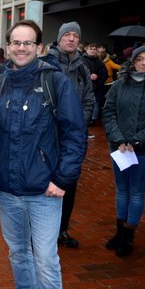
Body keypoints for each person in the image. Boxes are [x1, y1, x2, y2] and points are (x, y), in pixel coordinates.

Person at [0, 20, 86, 289]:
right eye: (16, 42)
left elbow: (75, 134)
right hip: (7, 189)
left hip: (45, 191)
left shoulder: (56, 82)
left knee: (45, 260)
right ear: (8, 46)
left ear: (38, 47)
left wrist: (63, 178)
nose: (21, 48)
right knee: (18, 252)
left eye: (28, 43)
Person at [45, 21, 94, 248]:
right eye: (68, 35)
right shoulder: (47, 64)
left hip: (72, 138)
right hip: (50, 135)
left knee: (69, 184)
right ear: (60, 38)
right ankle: (45, 233)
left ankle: (62, 229)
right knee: (46, 184)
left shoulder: (83, 66)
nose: (71, 39)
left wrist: (78, 124)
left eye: (75, 35)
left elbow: (88, 101)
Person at [102, 46, 145, 257]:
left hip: (142, 149)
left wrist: (137, 141)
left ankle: (128, 236)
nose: (144, 63)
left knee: (137, 191)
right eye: (140, 59)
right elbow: (108, 112)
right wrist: (119, 139)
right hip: (119, 148)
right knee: (122, 190)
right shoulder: (119, 85)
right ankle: (119, 232)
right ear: (133, 61)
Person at [82, 43, 108, 124]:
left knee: (96, 103)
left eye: (94, 49)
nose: (93, 51)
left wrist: (98, 78)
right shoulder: (81, 60)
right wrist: (88, 76)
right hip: (84, 87)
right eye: (91, 49)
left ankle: (93, 119)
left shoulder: (100, 62)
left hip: (97, 87)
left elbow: (105, 74)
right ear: (86, 50)